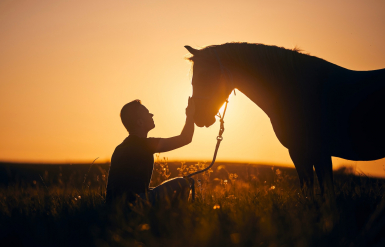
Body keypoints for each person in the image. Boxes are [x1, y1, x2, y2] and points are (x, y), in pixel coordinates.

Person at [106, 97, 195, 205]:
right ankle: (177, 215)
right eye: (147, 113)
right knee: (183, 183)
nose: (151, 115)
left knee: (152, 189)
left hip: (113, 205)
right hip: (134, 203)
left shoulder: (120, 148)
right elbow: (185, 138)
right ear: (140, 122)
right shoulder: (145, 144)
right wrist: (190, 115)